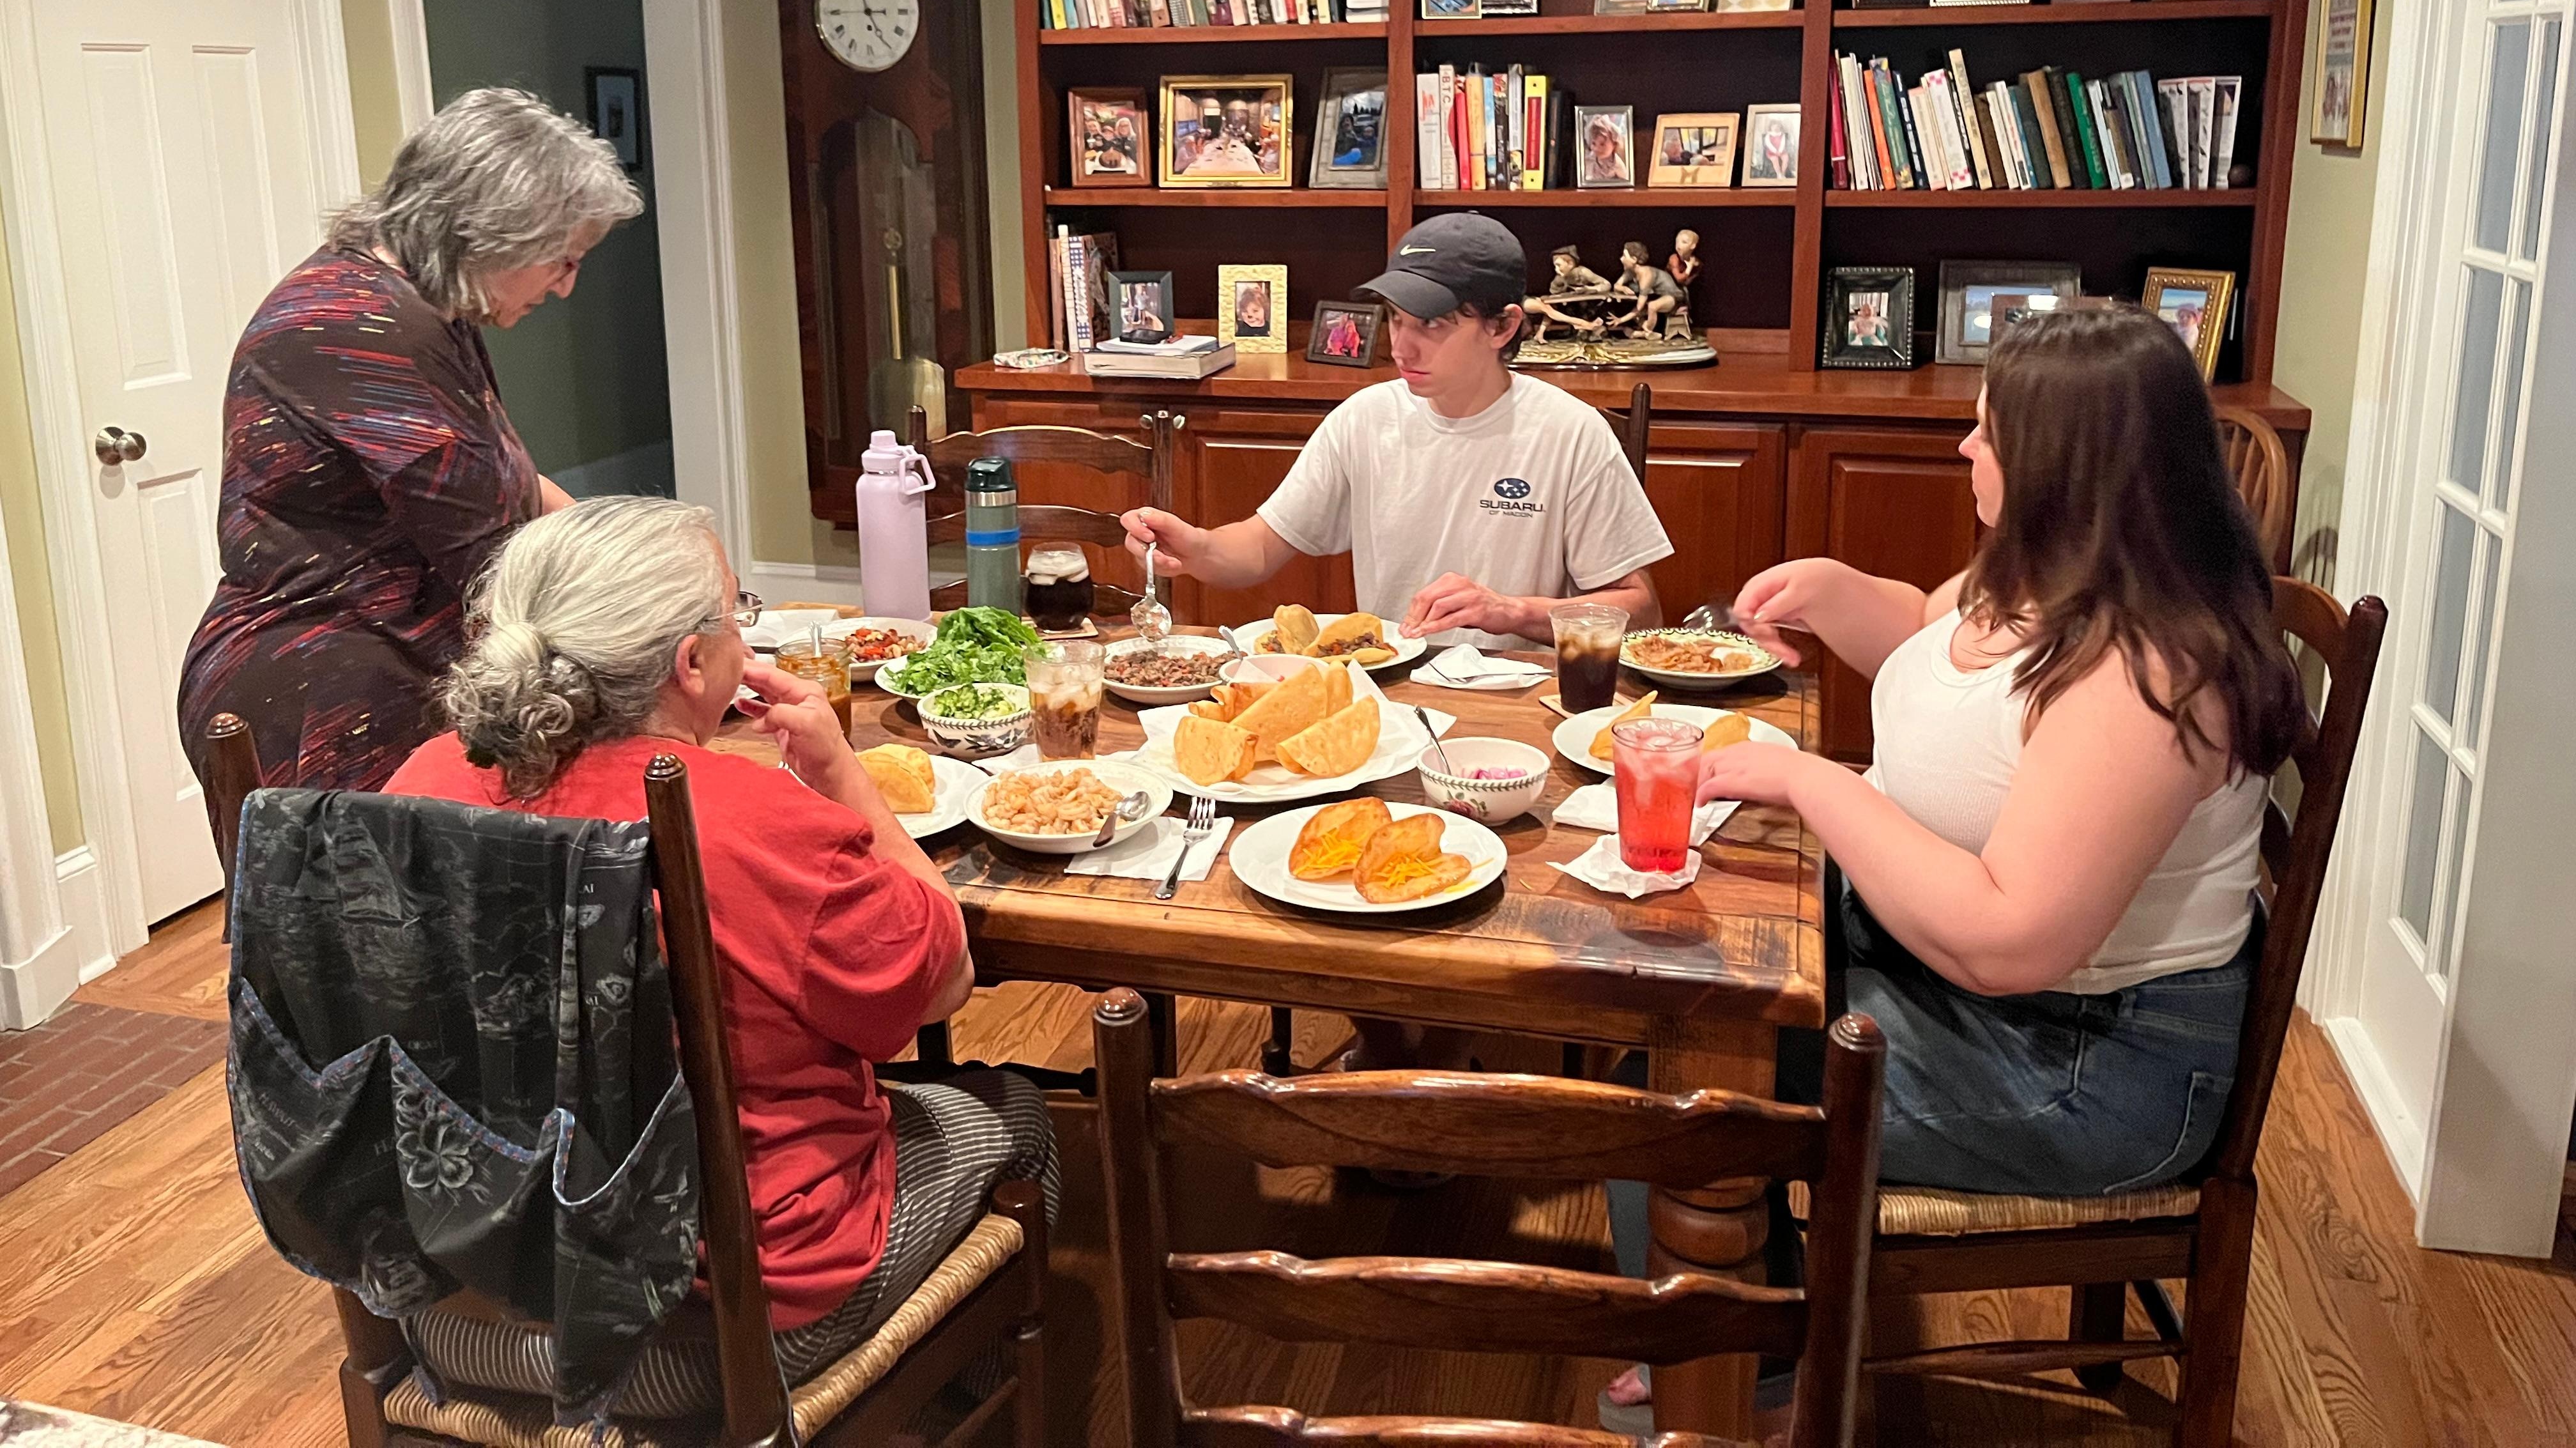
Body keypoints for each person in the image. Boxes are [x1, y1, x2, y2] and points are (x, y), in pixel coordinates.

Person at [1599, 308, 2304, 1419]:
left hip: (2086, 1062)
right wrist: (1837, 590)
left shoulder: (2153, 668)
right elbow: (1940, 640)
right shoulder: (2059, 572)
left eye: (1987, 432)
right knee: (1671, 967)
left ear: (2064, 466)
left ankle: (1739, 1370)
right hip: (1991, 991)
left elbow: (2006, 937)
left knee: (1684, 1084)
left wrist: (1814, 784)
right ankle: (1747, 1312)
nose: (1964, 449)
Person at [390, 497, 1055, 1414]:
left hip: (465, 1303)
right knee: (1015, 1108)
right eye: (736, 615)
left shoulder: (416, 786)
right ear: (693, 663)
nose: (744, 638)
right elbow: (944, 984)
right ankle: (957, 1406)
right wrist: (842, 776)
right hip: (713, 1334)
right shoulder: (754, 823)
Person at [176, 88, 639, 798]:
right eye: (563, 260)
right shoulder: (367, 326)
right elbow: (490, 554)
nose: (566, 288)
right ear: (495, 232)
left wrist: (639, 564)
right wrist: (641, 633)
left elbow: (507, 483)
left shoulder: (428, 311)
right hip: (328, 694)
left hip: (389, 670)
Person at [1121, 214, 1669, 650]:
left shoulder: (1571, 433)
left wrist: (1511, 612)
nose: (1401, 347)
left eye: (1431, 324)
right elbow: (1260, 551)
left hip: (1521, 701)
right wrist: (1194, 547)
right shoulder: (1365, 418)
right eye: (1398, 319)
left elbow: (1641, 612)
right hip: (1393, 691)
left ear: (1502, 327)